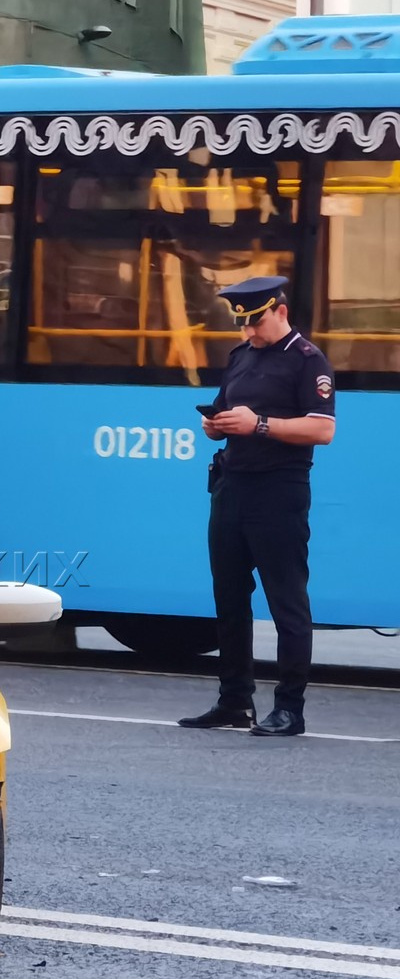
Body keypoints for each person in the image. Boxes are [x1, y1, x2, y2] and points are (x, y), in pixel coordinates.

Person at [178, 276, 335, 738]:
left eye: (256, 322)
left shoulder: (308, 361)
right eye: (243, 324)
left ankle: (290, 708)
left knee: (287, 601)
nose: (249, 333)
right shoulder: (241, 357)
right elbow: (232, 413)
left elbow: (322, 430)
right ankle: (234, 701)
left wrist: (259, 424)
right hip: (232, 487)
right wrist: (218, 426)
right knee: (228, 598)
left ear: (280, 311)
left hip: (278, 493)